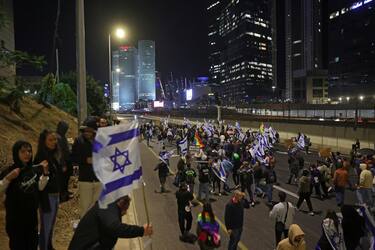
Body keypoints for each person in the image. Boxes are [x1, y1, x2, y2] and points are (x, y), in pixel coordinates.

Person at [0, 141, 49, 250]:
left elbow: (40, 187)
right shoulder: (10, 171)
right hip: (15, 220)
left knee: (32, 244)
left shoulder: (34, 170)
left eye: (29, 151)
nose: (27, 154)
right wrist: (8, 178)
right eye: (23, 151)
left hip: (31, 219)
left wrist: (45, 173)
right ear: (16, 153)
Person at [68, 195, 153, 250]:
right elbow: (115, 227)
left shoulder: (108, 206)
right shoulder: (108, 209)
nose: (125, 213)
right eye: (125, 210)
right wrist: (141, 230)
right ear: (122, 206)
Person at [34, 129, 64, 250]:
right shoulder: (41, 157)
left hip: (55, 195)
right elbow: (40, 180)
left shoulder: (52, 155)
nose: (54, 142)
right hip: (47, 196)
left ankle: (48, 246)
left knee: (50, 225)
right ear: (43, 141)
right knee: (46, 226)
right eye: (51, 140)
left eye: (55, 139)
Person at [71, 117, 102, 218]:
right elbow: (73, 158)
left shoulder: (100, 140)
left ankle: (94, 230)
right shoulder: (79, 141)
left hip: (99, 179)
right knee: (85, 207)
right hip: (85, 180)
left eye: (90, 131)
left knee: (96, 208)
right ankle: (84, 230)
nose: (87, 133)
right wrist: (85, 160)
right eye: (85, 130)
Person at [56, 121, 72, 202]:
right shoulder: (58, 138)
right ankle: (63, 195)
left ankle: (65, 192)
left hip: (67, 161)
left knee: (66, 179)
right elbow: (60, 153)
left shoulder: (62, 136)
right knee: (62, 180)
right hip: (62, 163)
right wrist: (63, 164)